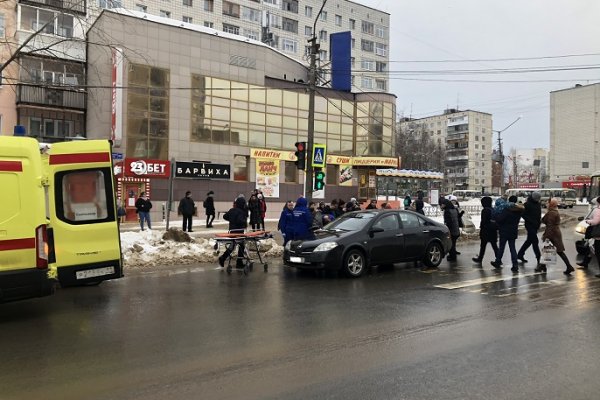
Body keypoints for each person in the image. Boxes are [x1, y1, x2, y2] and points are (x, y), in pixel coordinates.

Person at [539, 198, 574, 275]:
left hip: (552, 233)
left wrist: (546, 236)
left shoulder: (552, 213)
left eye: (548, 203)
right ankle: (542, 266)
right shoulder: (553, 211)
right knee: (549, 250)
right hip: (555, 233)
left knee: (551, 249)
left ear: (551, 204)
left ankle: (568, 266)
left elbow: (550, 225)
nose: (546, 204)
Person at [491, 196, 524, 273]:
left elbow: (500, 219)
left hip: (504, 231)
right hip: (513, 231)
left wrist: (495, 216)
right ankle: (515, 265)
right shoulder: (519, 210)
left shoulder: (506, 210)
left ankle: (498, 261)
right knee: (512, 248)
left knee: (502, 247)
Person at [219, 196, 248, 268]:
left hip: (231, 232)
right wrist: (244, 223)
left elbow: (225, 216)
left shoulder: (232, 210)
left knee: (233, 245)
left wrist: (231, 219)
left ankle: (223, 258)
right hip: (239, 232)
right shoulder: (241, 212)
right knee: (241, 245)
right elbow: (241, 221)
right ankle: (239, 262)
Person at [516, 191, 542, 266]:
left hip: (536, 225)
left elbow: (538, 215)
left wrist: (538, 223)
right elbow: (523, 214)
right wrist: (531, 221)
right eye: (537, 198)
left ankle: (520, 255)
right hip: (530, 225)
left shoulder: (538, 204)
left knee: (529, 241)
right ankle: (539, 259)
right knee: (535, 241)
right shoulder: (527, 204)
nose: (538, 200)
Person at [577, 196, 600, 277]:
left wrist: (588, 221)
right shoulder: (596, 209)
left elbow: (596, 221)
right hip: (595, 234)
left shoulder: (598, 210)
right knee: (589, 247)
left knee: (597, 252)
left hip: (597, 234)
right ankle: (585, 262)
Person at [472, 196, 498, 265]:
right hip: (493, 230)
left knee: (483, 246)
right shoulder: (493, 209)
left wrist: (481, 227)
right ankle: (498, 259)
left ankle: (480, 259)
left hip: (486, 231)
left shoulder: (485, 210)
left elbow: (484, 221)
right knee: (494, 246)